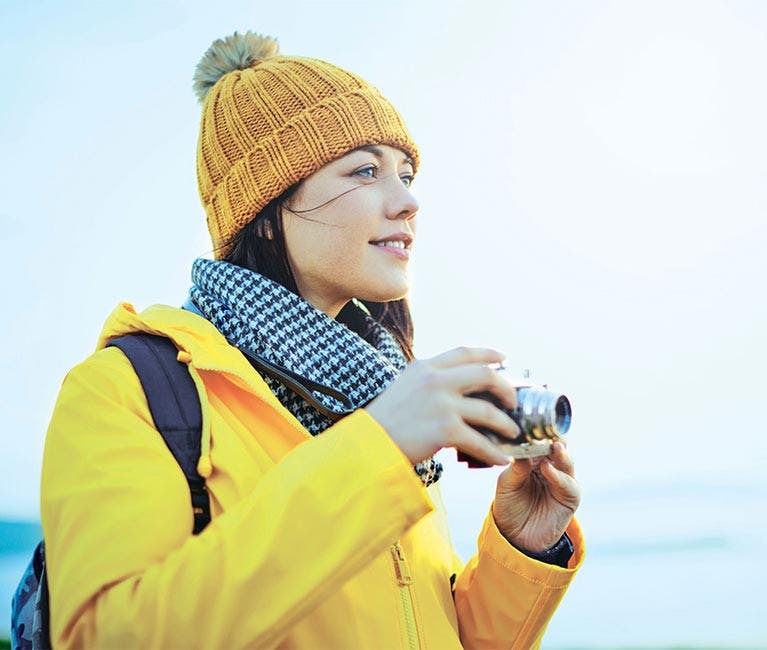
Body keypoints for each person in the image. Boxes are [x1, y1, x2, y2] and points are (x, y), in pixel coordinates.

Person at [40, 31, 584, 649]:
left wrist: (521, 547)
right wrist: (378, 445)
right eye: (365, 171)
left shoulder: (379, 386)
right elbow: (104, 638)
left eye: (405, 175)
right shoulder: (124, 391)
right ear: (268, 210)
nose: (407, 201)